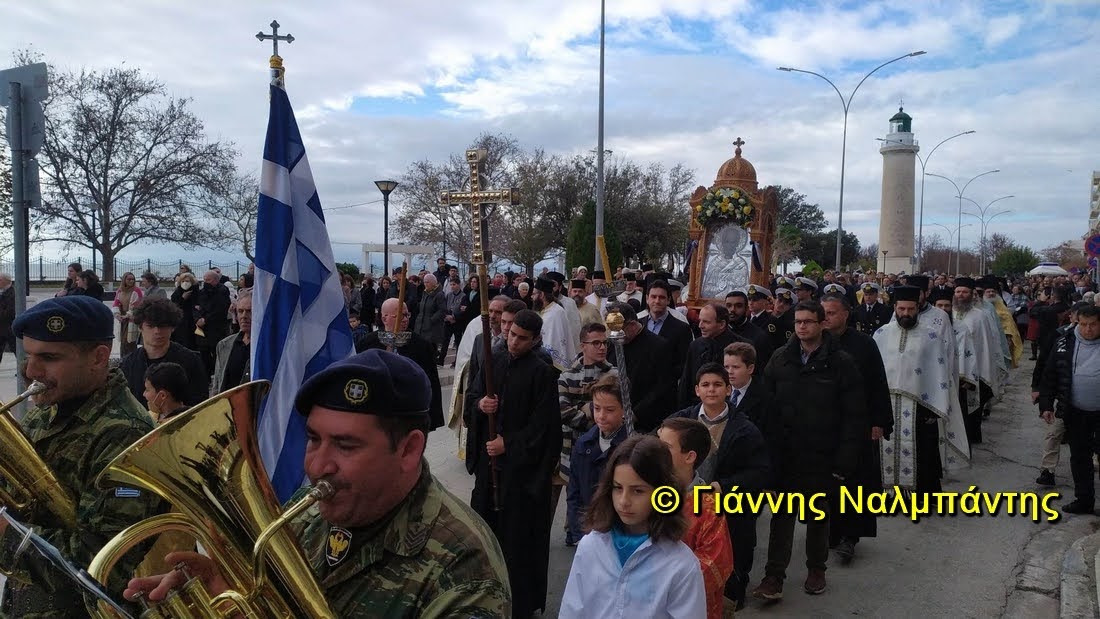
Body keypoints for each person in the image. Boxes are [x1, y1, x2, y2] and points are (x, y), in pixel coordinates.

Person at [125, 349, 512, 615]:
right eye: (313, 439)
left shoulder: (464, 569)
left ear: (409, 450)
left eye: (345, 445)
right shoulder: (311, 512)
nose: (318, 465)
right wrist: (224, 585)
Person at [1, 295, 167, 616]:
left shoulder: (127, 435)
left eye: (49, 357)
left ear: (98, 357)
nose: (31, 371)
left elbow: (101, 561)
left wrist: (6, 535)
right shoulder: (47, 409)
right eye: (29, 355)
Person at [753, 301, 867, 601]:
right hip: (786, 455)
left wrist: (844, 461)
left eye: (808, 321)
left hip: (822, 455)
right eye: (798, 322)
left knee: (818, 517)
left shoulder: (840, 363)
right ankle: (774, 576)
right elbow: (765, 407)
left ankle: (817, 570)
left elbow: (854, 416)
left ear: (821, 324)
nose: (802, 327)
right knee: (782, 517)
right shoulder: (780, 360)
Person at [464, 308, 560, 618]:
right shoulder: (494, 361)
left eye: (521, 338)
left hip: (520, 478)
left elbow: (544, 426)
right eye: (511, 334)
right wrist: (481, 404)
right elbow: (472, 396)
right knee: (483, 533)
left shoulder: (542, 373)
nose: (513, 341)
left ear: (534, 341)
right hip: (488, 471)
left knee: (517, 542)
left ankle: (518, 603)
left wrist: (510, 443)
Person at [559, 434, 705, 618]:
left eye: (638, 491)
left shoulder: (681, 565)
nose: (624, 501)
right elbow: (572, 610)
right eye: (618, 488)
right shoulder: (591, 546)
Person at [669, 360, 770, 609]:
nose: (711, 389)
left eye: (717, 384)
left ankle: (731, 598)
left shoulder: (744, 429)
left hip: (730, 505)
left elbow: (759, 471)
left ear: (728, 389)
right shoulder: (680, 423)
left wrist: (724, 485)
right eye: (705, 384)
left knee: (733, 555)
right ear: (696, 390)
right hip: (685, 503)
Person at [820, 294, 894, 565]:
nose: (826, 317)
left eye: (832, 312)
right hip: (825, 426)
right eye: (823, 312)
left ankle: (851, 537)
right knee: (828, 484)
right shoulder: (815, 343)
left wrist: (879, 422)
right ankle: (830, 532)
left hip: (857, 425)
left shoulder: (864, 344)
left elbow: (877, 384)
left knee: (856, 482)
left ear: (846, 315)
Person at [874, 286, 969, 494]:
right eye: (901, 309)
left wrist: (935, 407)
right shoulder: (881, 334)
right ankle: (889, 494)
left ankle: (920, 496)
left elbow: (940, 374)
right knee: (884, 449)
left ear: (918, 308)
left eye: (910, 309)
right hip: (887, 404)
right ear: (895, 308)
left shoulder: (931, 337)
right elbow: (873, 373)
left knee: (923, 452)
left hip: (921, 406)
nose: (905, 314)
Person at [656, 418, 735, 619]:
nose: (655, 452)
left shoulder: (708, 507)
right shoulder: (643, 493)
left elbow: (714, 563)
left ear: (689, 456)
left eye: (665, 447)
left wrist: (662, 582)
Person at [558, 324, 619, 546]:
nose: (602, 347)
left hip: (606, 445)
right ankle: (574, 530)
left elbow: (619, 409)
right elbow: (564, 412)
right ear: (583, 345)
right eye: (596, 343)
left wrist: (587, 410)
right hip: (573, 445)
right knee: (576, 490)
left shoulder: (614, 374)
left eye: (604, 343)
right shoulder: (567, 376)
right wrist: (592, 418)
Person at [1039, 305, 1100, 515]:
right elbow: (1050, 373)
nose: (1088, 329)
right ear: (1077, 322)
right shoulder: (1065, 342)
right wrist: (1046, 404)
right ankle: (1084, 500)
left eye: (1093, 325)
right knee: (1080, 457)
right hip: (1075, 410)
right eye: (1084, 324)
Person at [356, 298, 444, 430]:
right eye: (400, 316)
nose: (405, 319)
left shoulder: (420, 345)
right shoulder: (367, 344)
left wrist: (431, 417)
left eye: (407, 315)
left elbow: (431, 382)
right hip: (376, 413)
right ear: (384, 318)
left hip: (409, 413)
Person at [566, 374, 629, 546]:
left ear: (624, 410)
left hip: (620, 533)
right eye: (597, 408)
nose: (601, 416)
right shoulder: (583, 444)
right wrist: (579, 533)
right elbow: (574, 493)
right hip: (588, 531)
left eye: (609, 410)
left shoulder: (630, 447)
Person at [119, 298, 209, 407]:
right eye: (151, 326)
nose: (157, 331)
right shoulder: (128, 364)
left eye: (163, 326)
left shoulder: (190, 360)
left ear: (172, 328)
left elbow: (200, 402)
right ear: (140, 327)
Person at [605, 302, 677, 433]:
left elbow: (662, 388)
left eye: (618, 329)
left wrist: (635, 414)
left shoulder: (659, 347)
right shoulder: (613, 344)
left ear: (632, 325)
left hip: (644, 421)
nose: (614, 334)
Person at [953, 277, 1008, 443]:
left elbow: (985, 347)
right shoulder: (948, 313)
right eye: (958, 292)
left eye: (965, 292)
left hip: (973, 371)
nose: (961, 295)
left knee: (971, 407)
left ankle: (971, 438)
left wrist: (981, 372)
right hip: (952, 369)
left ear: (972, 295)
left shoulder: (980, 317)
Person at [679, 303, 748, 408]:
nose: (700, 325)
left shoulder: (740, 347)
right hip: (696, 409)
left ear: (721, 324)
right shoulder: (696, 345)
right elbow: (686, 382)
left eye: (706, 322)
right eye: (700, 320)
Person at [640, 280, 693, 380]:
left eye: (662, 297)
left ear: (668, 300)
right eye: (653, 297)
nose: (657, 301)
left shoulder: (681, 329)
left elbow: (684, 363)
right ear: (647, 299)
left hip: (666, 388)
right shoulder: (639, 325)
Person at [211, 292, 254, 395]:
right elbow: (217, 383)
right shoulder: (225, 345)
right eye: (240, 311)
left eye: (249, 311)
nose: (244, 316)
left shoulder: (268, 346)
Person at [531, 275, 576, 370]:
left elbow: (556, 343)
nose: (532, 297)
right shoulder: (542, 311)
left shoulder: (556, 312)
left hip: (553, 366)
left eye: (534, 294)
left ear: (542, 295)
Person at [193, 270, 232, 378]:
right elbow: (195, 307)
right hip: (201, 328)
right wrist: (198, 319)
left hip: (216, 328)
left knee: (216, 352)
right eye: (204, 280)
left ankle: (218, 375)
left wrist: (205, 319)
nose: (206, 282)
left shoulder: (222, 291)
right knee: (203, 352)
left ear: (215, 280)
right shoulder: (201, 293)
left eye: (208, 280)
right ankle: (206, 376)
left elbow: (220, 309)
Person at [112, 272, 145, 357]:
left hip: (132, 319)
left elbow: (137, 305)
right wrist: (117, 315)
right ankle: (123, 359)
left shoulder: (137, 291)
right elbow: (116, 303)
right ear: (124, 280)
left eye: (133, 279)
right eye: (129, 279)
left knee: (130, 341)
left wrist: (128, 315)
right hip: (122, 319)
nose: (131, 281)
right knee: (123, 341)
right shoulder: (120, 291)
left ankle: (132, 360)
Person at [170, 272, 199, 350]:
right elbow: (174, 307)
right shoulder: (177, 293)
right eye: (183, 281)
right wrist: (182, 298)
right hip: (180, 323)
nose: (185, 283)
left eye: (187, 281)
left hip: (193, 322)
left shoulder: (196, 292)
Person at [0, 272, 14, 362]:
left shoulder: (13, 294)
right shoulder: (3, 292)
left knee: (18, 351)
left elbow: (10, 313)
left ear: (6, 281)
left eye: (0, 280)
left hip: (10, 329)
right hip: (2, 329)